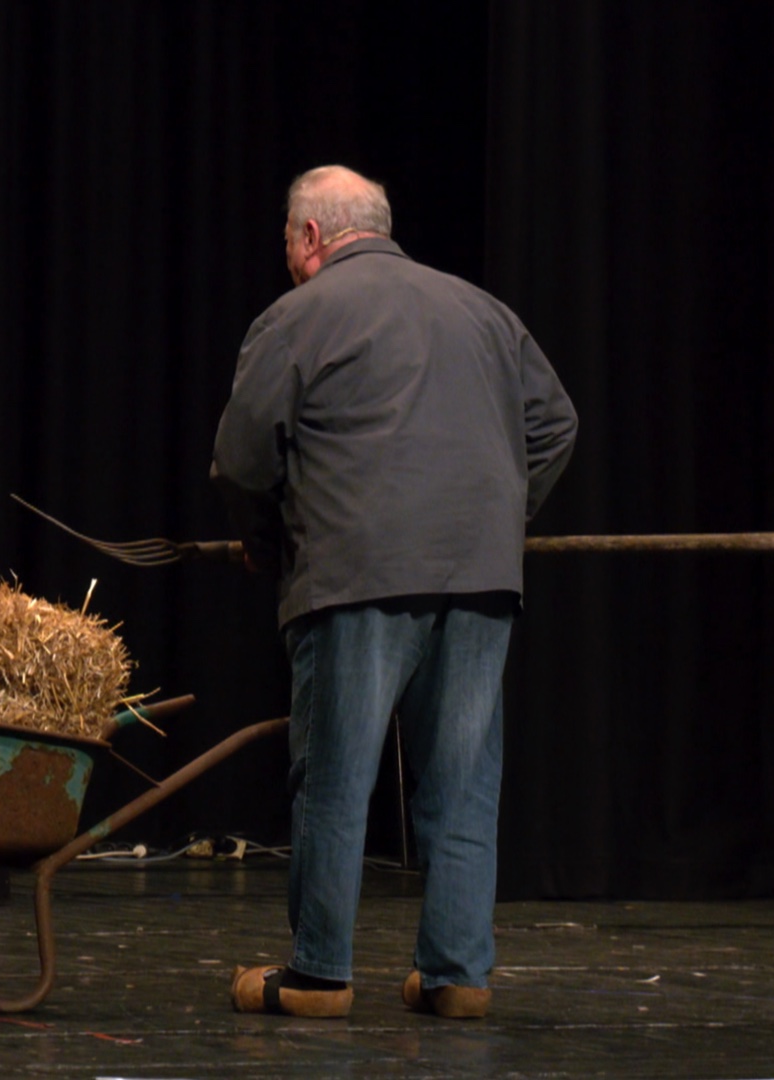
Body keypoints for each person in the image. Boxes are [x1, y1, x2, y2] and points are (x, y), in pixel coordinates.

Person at [212, 166, 577, 1019]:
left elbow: (242, 458)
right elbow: (556, 425)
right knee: (463, 782)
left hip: (356, 571)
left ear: (310, 236)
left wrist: (266, 543)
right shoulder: (485, 311)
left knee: (335, 777)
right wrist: (498, 514)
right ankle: (457, 977)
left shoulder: (297, 316)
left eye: (288, 240)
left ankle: (320, 976)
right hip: (479, 574)